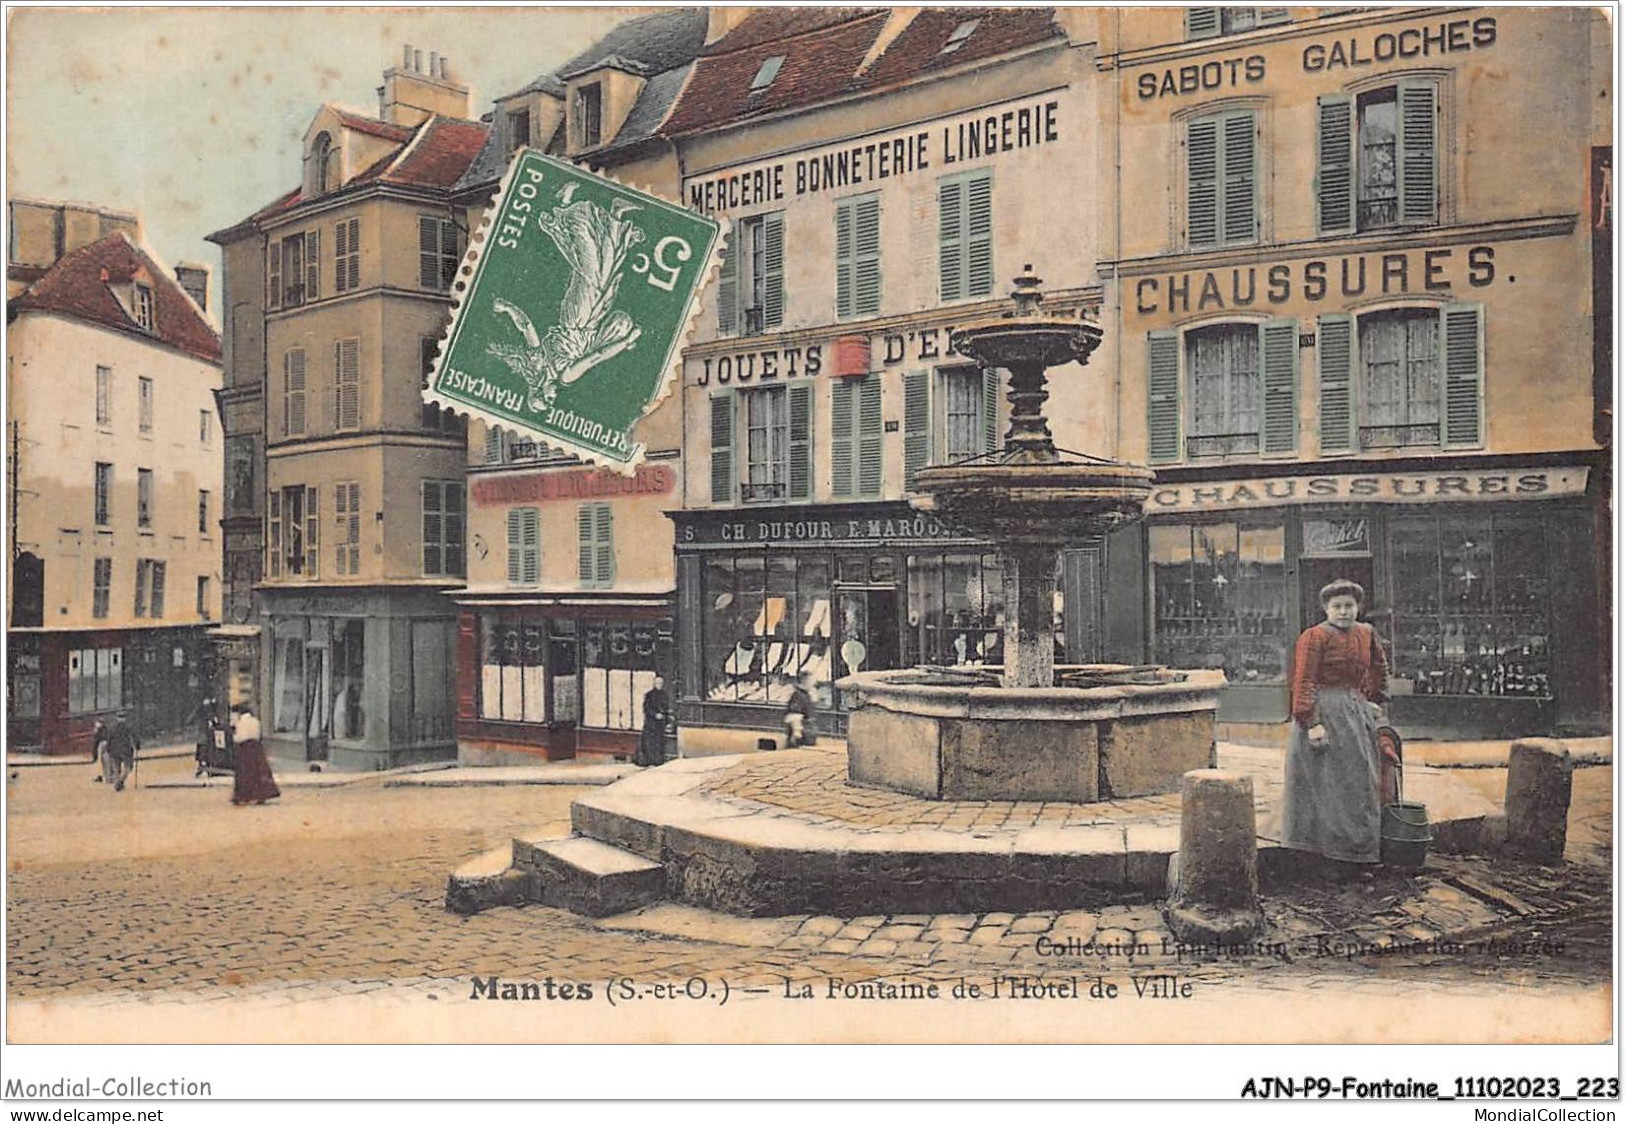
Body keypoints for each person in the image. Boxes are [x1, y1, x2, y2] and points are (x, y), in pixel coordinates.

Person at [1281, 579, 1395, 870]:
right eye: (1337, 606)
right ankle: (1321, 857)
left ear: (1358, 607)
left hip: (1355, 713)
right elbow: (1304, 680)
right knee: (1324, 783)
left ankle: (1355, 853)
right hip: (1323, 713)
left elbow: (1379, 669)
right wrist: (1311, 722)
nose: (1343, 612)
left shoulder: (1367, 633)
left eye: (1349, 606)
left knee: (1360, 781)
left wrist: (1374, 701)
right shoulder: (1314, 636)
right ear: (1326, 609)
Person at [230, 704, 280, 806]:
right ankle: (261, 795)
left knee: (244, 773)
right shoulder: (255, 721)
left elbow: (240, 737)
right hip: (256, 748)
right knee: (258, 772)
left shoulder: (241, 723)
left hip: (245, 749)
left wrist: (234, 737)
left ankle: (243, 796)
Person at [636, 676, 670, 767]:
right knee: (650, 742)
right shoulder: (649, 695)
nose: (660, 685)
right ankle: (649, 760)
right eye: (658, 683)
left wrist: (665, 720)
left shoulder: (664, 695)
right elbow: (647, 708)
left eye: (661, 684)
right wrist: (655, 715)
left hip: (660, 724)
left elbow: (666, 708)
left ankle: (658, 760)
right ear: (654, 684)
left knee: (658, 742)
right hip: (651, 723)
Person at [104, 711, 138, 793]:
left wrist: (108, 749)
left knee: (116, 770)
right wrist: (137, 745)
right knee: (128, 768)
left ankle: (118, 783)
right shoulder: (128, 727)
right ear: (125, 718)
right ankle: (121, 782)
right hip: (126, 751)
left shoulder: (112, 728)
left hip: (114, 751)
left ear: (117, 718)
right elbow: (134, 737)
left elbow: (109, 740)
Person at [784, 673, 816, 748]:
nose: (813, 683)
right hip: (801, 736)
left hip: (808, 734)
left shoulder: (806, 694)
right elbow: (794, 714)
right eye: (811, 681)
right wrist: (797, 732)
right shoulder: (798, 695)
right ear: (805, 681)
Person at [91, 718, 111, 784]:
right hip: (106, 745)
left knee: (103, 762)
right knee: (106, 762)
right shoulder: (107, 729)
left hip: (101, 745)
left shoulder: (98, 730)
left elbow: (96, 740)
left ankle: (104, 777)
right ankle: (107, 777)